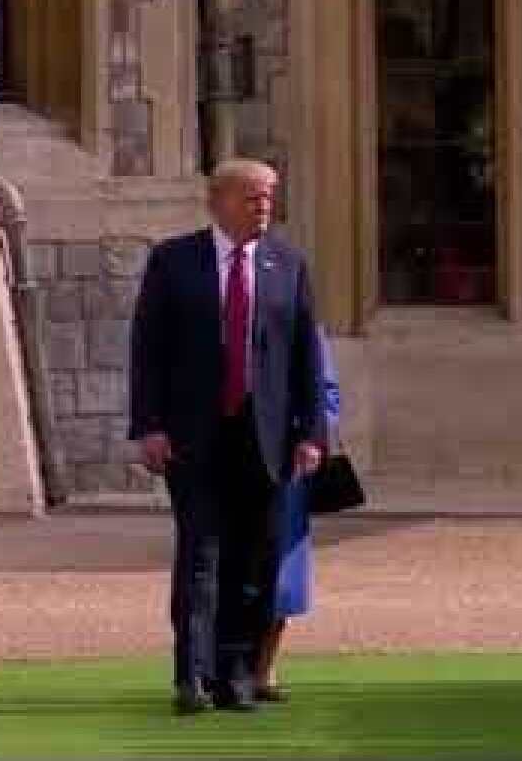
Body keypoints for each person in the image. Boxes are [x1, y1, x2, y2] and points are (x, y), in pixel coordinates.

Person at [129, 158, 327, 715]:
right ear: (218, 200)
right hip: (194, 436)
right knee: (200, 555)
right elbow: (148, 350)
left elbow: (305, 357)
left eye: (269, 197)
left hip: (263, 438)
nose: (263, 207)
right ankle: (192, 675)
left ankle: (237, 676)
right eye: (252, 197)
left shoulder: (288, 265)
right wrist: (149, 425)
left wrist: (311, 433)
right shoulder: (174, 262)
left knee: (254, 559)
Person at [251, 324, 340, 701]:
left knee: (282, 573)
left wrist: (311, 436)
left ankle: (264, 668)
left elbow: (327, 395)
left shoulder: (301, 324)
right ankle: (223, 667)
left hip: (286, 462)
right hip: (230, 457)